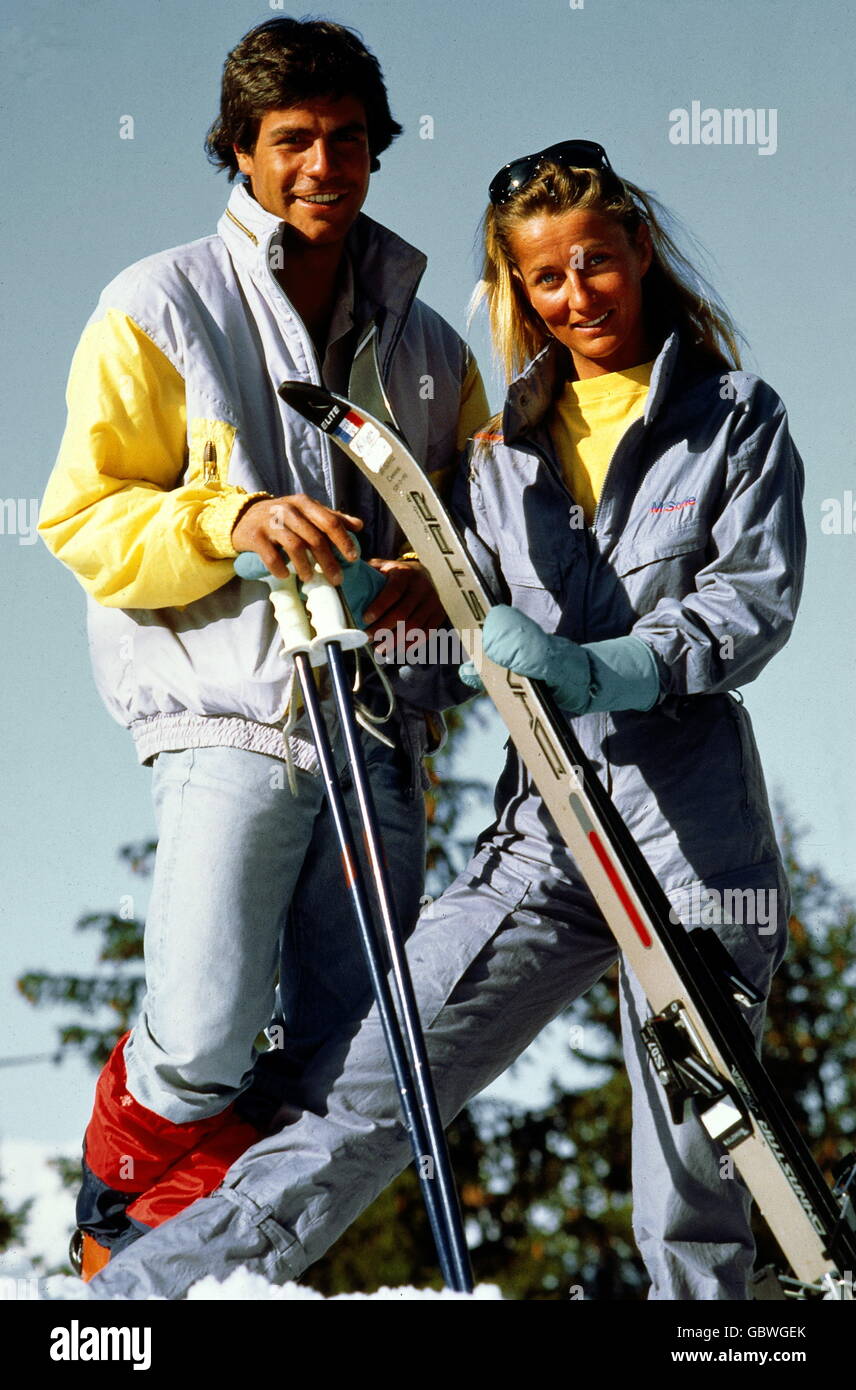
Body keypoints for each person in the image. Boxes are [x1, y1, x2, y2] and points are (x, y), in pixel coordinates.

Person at [85, 140, 806, 1302]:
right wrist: (382, 595)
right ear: (519, 291)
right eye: (547, 279)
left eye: (597, 264)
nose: (579, 296)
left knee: (693, 1175)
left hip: (691, 843)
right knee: (375, 1079)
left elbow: (750, 603)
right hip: (545, 838)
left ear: (639, 255)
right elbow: (458, 591)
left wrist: (597, 665)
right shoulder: (499, 453)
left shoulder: (732, 417)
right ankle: (132, 1304)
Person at [37, 17, 487, 1282]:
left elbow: (477, 533)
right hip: (229, 712)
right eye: (292, 139)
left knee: (355, 1046)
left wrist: (429, 583)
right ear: (241, 148)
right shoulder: (160, 301)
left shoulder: (428, 345)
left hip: (384, 733)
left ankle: (230, 1260)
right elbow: (83, 513)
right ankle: (118, 1211)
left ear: (376, 149)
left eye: (348, 138)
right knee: (202, 1025)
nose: (322, 163)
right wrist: (229, 516)